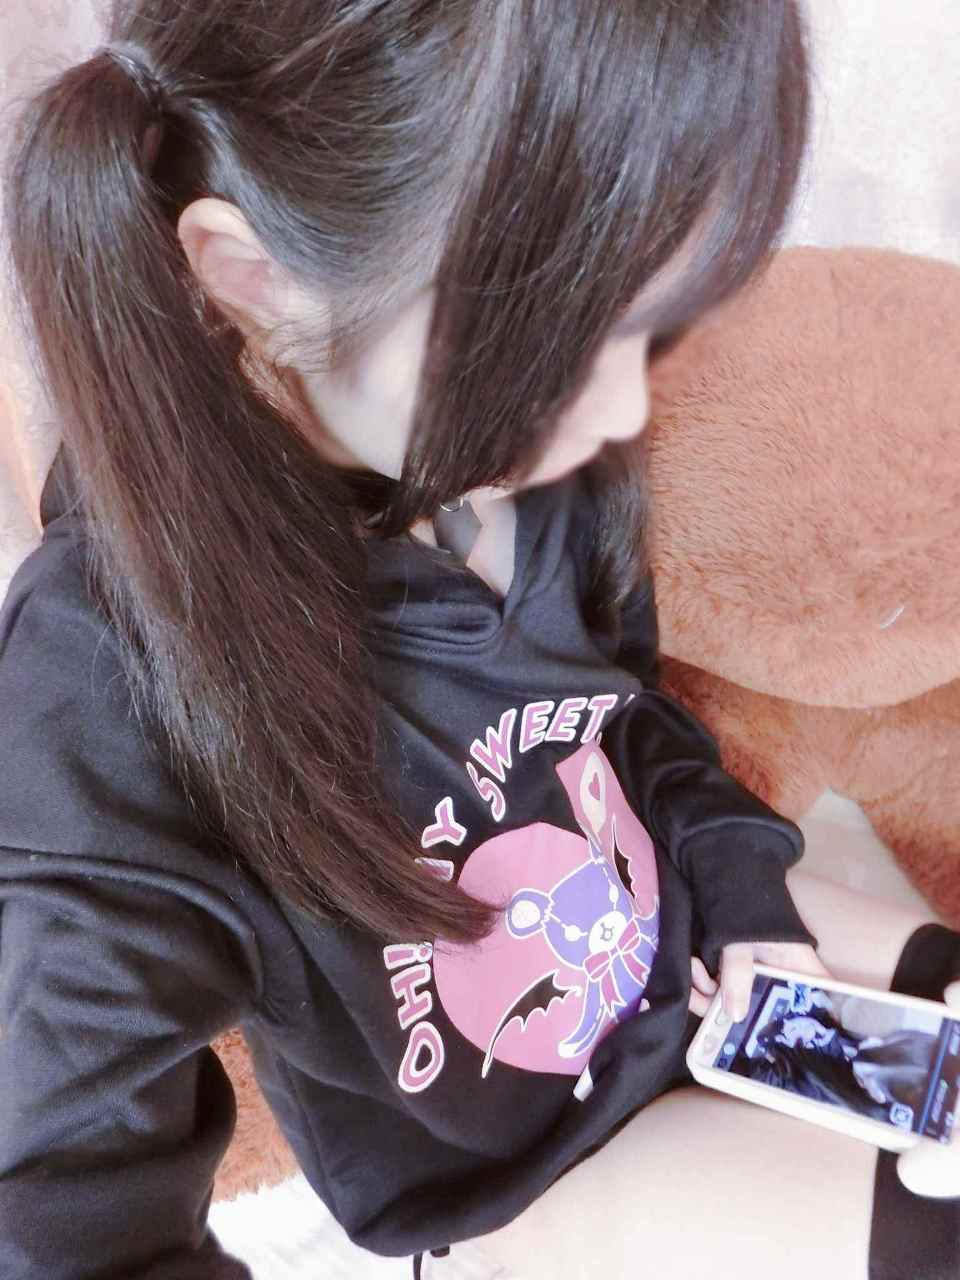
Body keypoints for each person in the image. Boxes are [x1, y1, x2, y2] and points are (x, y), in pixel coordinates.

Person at [0, 3, 957, 1278]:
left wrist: (739, 883)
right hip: (542, 1164)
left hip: (693, 958)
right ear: (253, 278)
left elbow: (626, 730)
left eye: (649, 325)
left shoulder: (544, 465)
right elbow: (56, 1208)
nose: (620, 407)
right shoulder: (102, 677)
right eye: (558, 346)